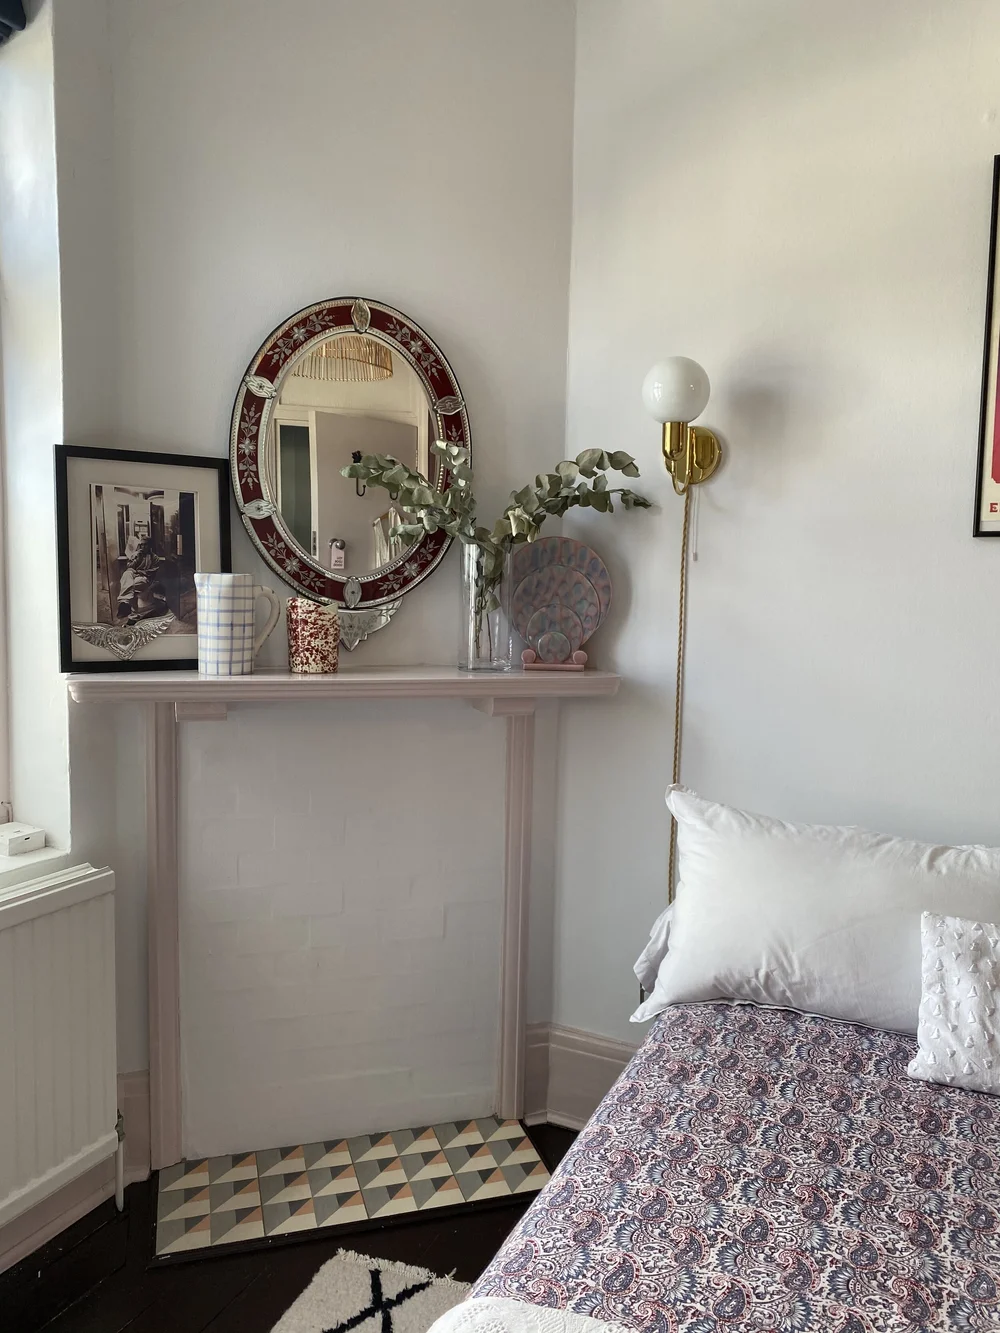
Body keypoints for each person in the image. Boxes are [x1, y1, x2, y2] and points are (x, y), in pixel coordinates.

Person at [115, 535, 168, 624]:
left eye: (145, 545)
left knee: (131, 585)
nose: (143, 547)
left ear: (150, 546)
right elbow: (129, 568)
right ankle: (125, 603)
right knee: (127, 574)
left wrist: (141, 572)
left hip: (145, 578)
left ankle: (130, 609)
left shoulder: (154, 558)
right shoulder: (136, 554)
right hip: (134, 575)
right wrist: (136, 558)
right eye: (142, 545)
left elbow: (153, 571)